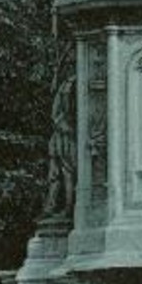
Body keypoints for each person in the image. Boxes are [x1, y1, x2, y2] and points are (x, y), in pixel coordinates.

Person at [43, 72, 77, 218]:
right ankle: (57, 207)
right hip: (63, 138)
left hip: (67, 137)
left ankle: (67, 208)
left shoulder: (70, 84)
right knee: (59, 174)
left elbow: (59, 114)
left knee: (67, 173)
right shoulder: (68, 84)